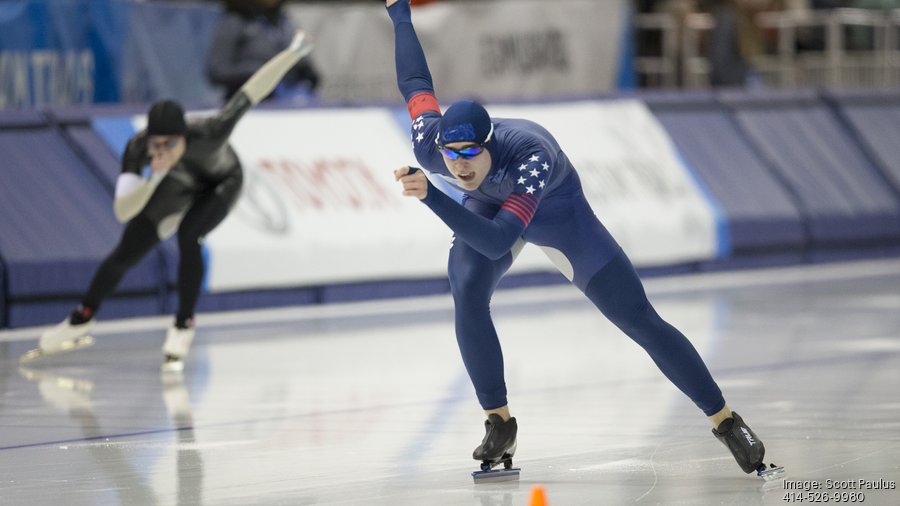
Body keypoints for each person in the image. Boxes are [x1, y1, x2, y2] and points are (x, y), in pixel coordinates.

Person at [385, 0, 781, 479]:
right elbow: (415, 84)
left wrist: (432, 197)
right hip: (490, 206)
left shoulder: (533, 156)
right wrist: (400, 13)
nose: (459, 165)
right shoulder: (432, 143)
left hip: (556, 214)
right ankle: (499, 422)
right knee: (467, 291)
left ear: (490, 143)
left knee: (638, 319)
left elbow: (497, 242)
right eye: (450, 156)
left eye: (470, 152)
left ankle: (726, 421)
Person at [34, 31, 315, 370]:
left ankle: (183, 324)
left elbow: (252, 90)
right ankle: (83, 316)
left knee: (189, 235)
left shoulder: (211, 130)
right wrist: (153, 175)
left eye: (169, 144)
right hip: (173, 188)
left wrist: (293, 53)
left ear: (184, 137)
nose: (161, 151)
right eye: (156, 144)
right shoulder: (140, 150)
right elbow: (123, 210)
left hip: (220, 183)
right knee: (125, 252)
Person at [206, 0, 320, 103]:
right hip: (250, 104)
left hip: (288, 102)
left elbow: (298, 56)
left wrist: (306, 70)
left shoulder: (283, 20)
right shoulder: (234, 22)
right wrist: (262, 71)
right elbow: (217, 71)